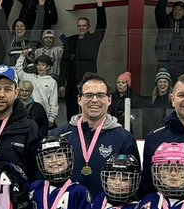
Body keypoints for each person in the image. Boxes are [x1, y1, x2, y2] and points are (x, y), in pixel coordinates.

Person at [51, 71, 139, 200]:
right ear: (79, 99)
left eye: (100, 95)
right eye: (88, 95)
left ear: (109, 100)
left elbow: (133, 184)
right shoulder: (59, 136)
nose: (94, 100)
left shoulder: (124, 139)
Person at [60, 0, 107, 118]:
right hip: (71, 81)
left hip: (88, 79)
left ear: (88, 27)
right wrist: (61, 83)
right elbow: (64, 63)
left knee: (88, 107)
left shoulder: (94, 39)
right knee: (71, 108)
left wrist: (100, 5)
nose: (81, 28)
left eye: (84, 26)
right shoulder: (71, 40)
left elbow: (102, 25)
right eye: (79, 26)